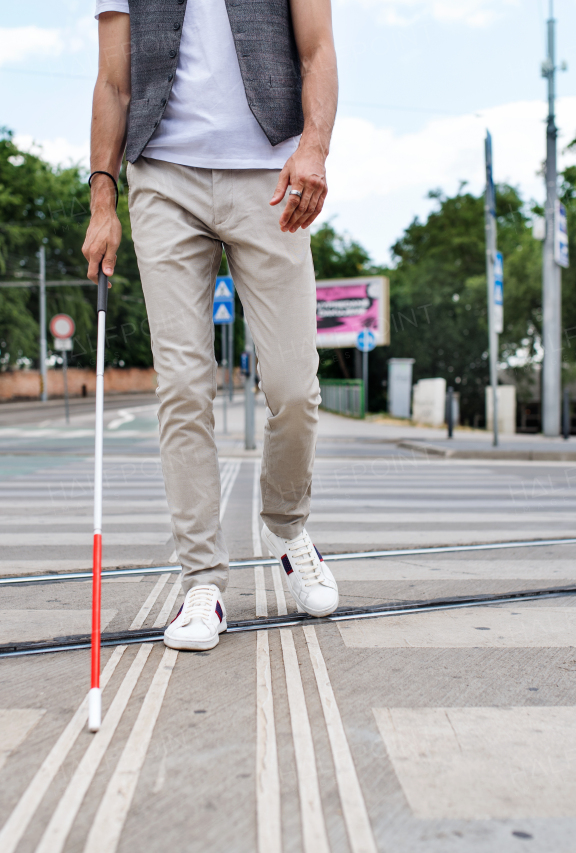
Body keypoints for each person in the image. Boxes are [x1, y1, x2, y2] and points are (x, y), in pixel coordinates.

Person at [84, 0, 340, 651]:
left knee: (292, 387)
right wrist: (103, 201)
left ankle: (286, 525)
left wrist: (314, 148)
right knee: (183, 386)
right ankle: (203, 581)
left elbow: (316, 50)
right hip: (164, 178)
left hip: (271, 173)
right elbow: (113, 83)